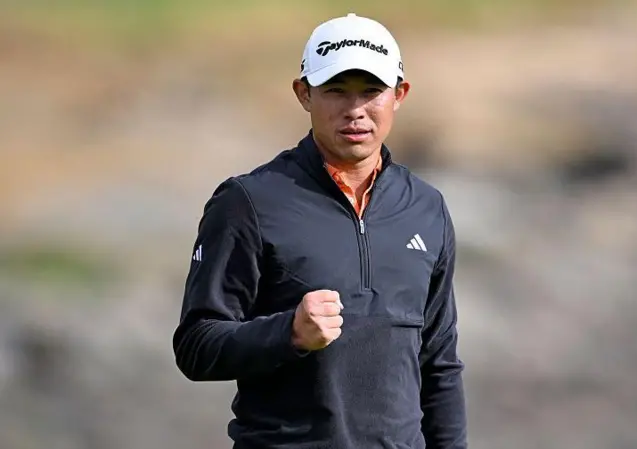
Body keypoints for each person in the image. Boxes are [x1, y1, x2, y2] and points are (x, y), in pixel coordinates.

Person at [172, 12, 467, 449]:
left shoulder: (425, 208)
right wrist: (288, 333)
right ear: (304, 94)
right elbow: (197, 345)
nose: (355, 110)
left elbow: (438, 362)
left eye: (371, 91)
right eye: (335, 91)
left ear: (399, 94)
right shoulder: (248, 202)